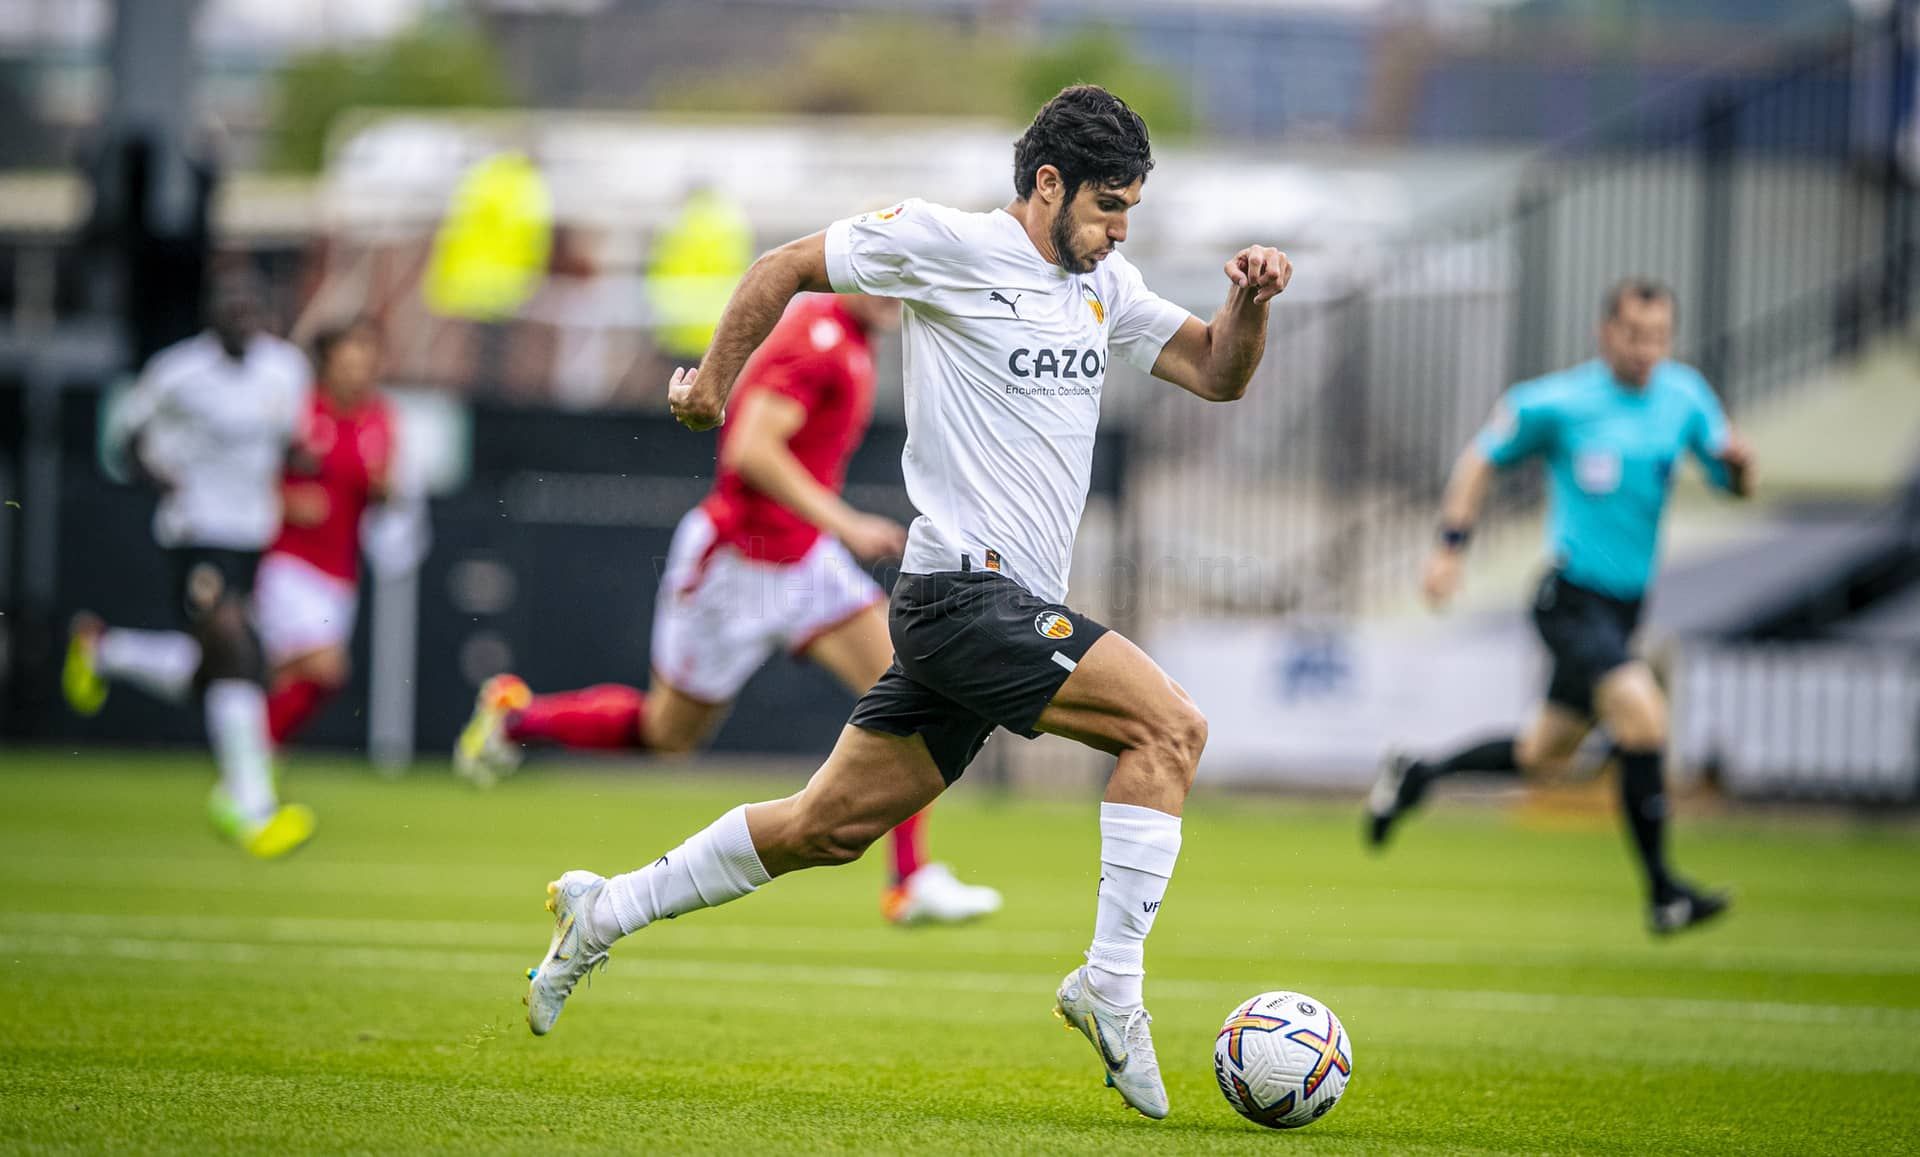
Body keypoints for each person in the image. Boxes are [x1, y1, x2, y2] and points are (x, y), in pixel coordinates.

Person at [518, 85, 1292, 1123]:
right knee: (1170, 727)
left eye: (1131, 212)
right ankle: (1109, 982)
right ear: (1048, 184)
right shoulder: (948, 244)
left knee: (823, 829)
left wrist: (1250, 303)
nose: (1117, 230)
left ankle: (604, 907)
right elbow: (783, 266)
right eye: (1108, 206)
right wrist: (712, 381)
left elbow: (1216, 371)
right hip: (960, 593)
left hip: (994, 609)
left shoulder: (1105, 286)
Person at [454, 291, 1002, 926]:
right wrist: (845, 522)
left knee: (914, 686)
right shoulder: (817, 338)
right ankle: (516, 719)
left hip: (800, 562)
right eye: (879, 274)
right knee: (669, 735)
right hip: (736, 566)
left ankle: (909, 881)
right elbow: (751, 448)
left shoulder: (851, 340)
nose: (891, 290)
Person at [1365, 278, 1754, 936]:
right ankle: (1664, 894)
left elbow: (1732, 480)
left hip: (1626, 606)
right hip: (1569, 598)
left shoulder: (1684, 395)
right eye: (1635, 334)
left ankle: (1417, 774)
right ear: (1606, 333)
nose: (1646, 349)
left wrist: (1741, 468)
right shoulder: (1559, 402)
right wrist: (1449, 548)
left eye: (1659, 336)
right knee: (1643, 711)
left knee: (1544, 754)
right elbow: (1480, 461)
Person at [63, 272, 318, 858]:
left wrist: (299, 461)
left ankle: (106, 650)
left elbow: (287, 441)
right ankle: (249, 806)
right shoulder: (176, 372)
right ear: (212, 315)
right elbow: (123, 441)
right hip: (195, 533)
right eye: (232, 308)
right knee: (235, 647)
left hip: (252, 536)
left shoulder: (285, 369)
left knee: (216, 668)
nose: (244, 318)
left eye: (252, 308)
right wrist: (159, 477)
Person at [254, 319, 396, 745]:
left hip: (341, 569)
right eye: (347, 364)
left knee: (289, 676)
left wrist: (384, 491)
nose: (356, 375)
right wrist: (284, 502)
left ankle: (255, 758)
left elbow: (381, 488)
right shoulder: (299, 411)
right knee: (326, 669)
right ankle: (254, 756)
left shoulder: (379, 418)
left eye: (365, 365)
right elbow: (252, 473)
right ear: (327, 365)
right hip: (291, 560)